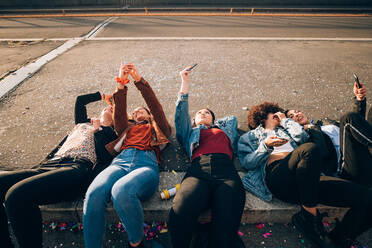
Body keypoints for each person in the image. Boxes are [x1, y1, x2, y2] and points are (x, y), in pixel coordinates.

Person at [238, 102, 372, 248]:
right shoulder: (250, 137)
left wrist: (285, 121)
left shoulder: (288, 129)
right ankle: (308, 216)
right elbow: (247, 162)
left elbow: (303, 137)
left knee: (368, 198)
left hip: (308, 180)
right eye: (275, 113)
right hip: (280, 178)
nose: (279, 115)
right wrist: (265, 145)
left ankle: (339, 238)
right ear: (263, 117)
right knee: (308, 150)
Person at [0, 89, 118, 248]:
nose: (107, 108)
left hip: (76, 168)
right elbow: (80, 100)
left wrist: (99, 130)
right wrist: (102, 96)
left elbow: (105, 158)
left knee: (15, 196)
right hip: (50, 165)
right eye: (107, 107)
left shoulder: (113, 134)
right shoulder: (82, 123)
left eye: (112, 110)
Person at [83, 63, 171, 248]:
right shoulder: (125, 128)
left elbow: (155, 106)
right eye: (135, 111)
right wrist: (121, 84)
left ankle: (137, 244)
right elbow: (120, 111)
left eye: (142, 110)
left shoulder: (159, 128)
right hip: (119, 163)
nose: (138, 112)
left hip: (146, 165)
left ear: (149, 115)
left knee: (121, 191)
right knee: (93, 193)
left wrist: (138, 81)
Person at [168, 66, 246, 248]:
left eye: (207, 113)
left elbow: (232, 119)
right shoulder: (190, 132)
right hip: (198, 171)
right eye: (199, 113)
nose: (203, 113)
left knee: (226, 228)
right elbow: (180, 116)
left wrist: (213, 124)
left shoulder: (224, 130)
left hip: (226, 171)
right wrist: (184, 82)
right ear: (193, 121)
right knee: (179, 215)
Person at [285, 80, 372, 185]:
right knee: (347, 119)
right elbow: (323, 153)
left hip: (363, 153)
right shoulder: (304, 139)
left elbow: (357, 130)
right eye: (291, 116)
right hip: (348, 169)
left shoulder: (324, 123)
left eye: (297, 111)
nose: (297, 114)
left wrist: (359, 99)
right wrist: (311, 128)